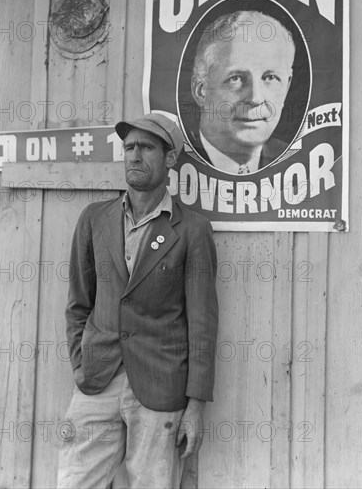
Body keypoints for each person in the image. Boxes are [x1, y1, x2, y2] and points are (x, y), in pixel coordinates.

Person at [57, 113, 219, 489]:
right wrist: (82, 363)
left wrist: (196, 404)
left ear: (169, 158)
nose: (134, 156)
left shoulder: (192, 230)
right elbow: (79, 303)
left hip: (161, 385)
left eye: (146, 147)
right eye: (129, 147)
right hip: (97, 380)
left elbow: (202, 322)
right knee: (74, 481)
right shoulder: (95, 219)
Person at [190, 10, 295, 174]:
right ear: (200, 90)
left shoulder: (293, 160)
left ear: (287, 86)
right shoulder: (173, 157)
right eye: (236, 78)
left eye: (270, 77)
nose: (256, 98)